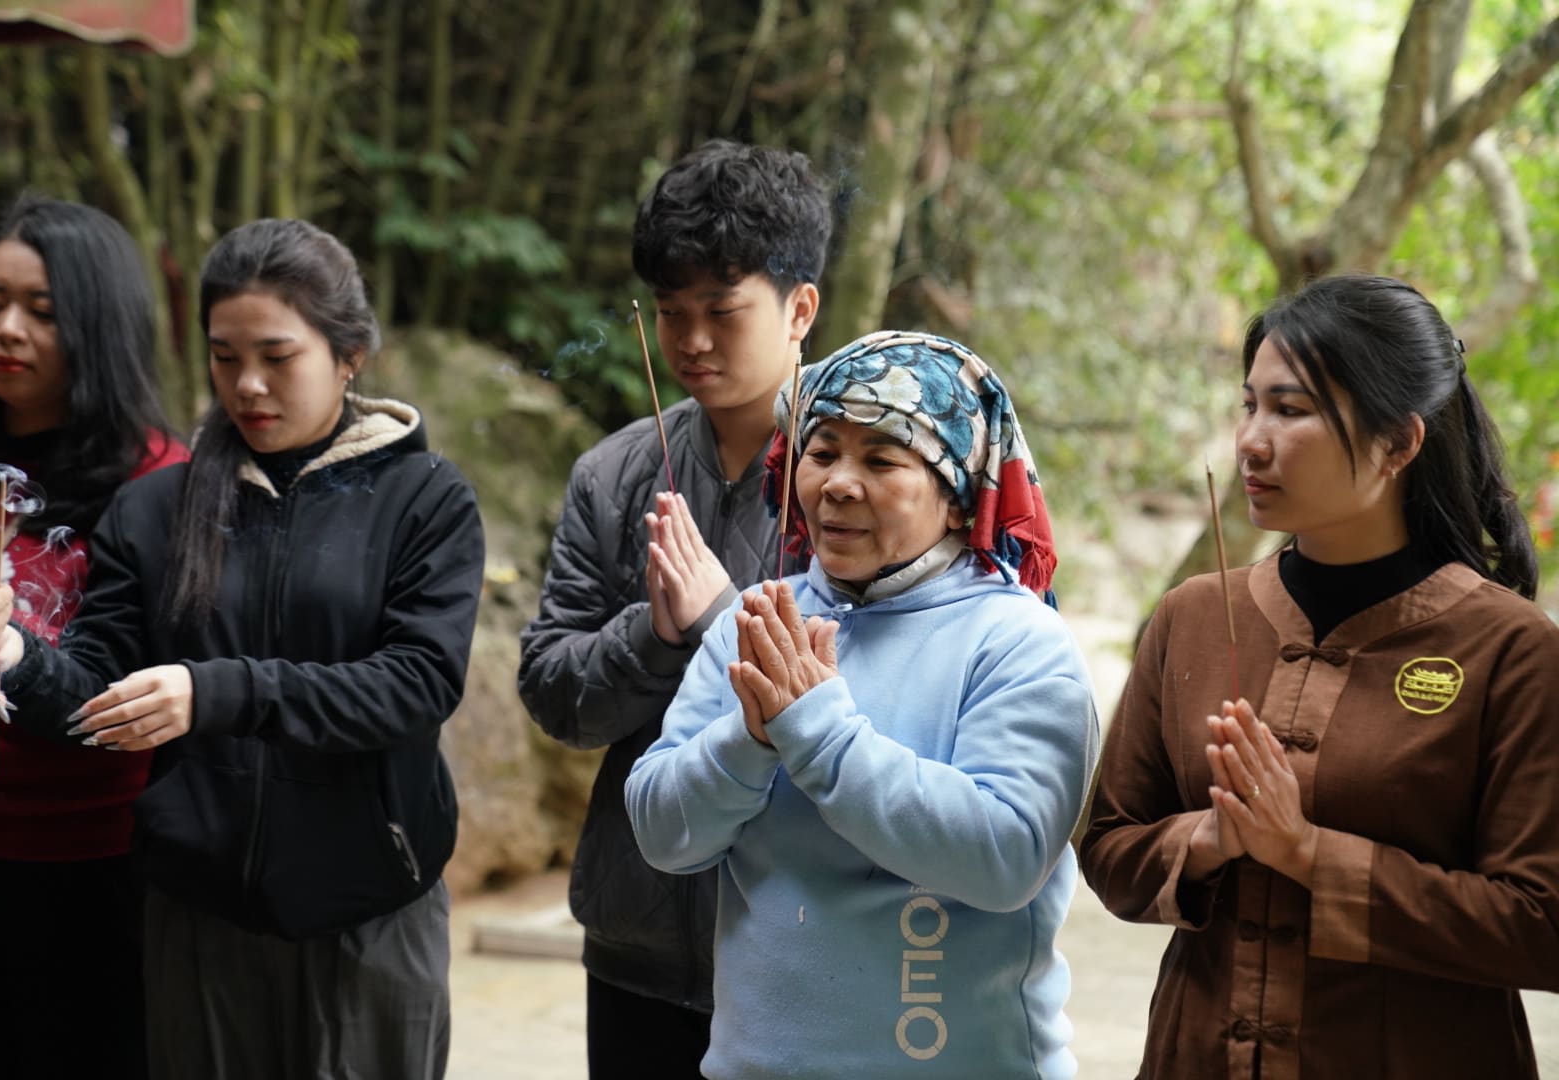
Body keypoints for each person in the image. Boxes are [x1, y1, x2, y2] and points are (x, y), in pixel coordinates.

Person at [0, 218, 485, 1080]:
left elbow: (417, 684)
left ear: (351, 354)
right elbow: (97, 694)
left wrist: (213, 692)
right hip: (198, 912)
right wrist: (7, 657)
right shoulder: (155, 509)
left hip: (370, 910)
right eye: (223, 357)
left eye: (277, 356)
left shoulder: (425, 500)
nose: (247, 385)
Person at [1079, 274, 1559, 1079]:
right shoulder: (1190, 616)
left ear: (1399, 444)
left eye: (1292, 410)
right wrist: (1205, 838)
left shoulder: (1509, 650)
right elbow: (1106, 847)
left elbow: (1542, 926)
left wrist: (1306, 852)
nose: (1252, 441)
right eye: (1249, 404)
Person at [626, 331, 1100, 1079]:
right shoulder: (759, 621)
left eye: (881, 459)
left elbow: (1006, 858)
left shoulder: (1016, 642)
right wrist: (746, 742)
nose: (839, 483)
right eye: (822, 453)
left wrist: (816, 733)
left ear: (955, 497)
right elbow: (661, 832)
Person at [517, 139, 830, 1077]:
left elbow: (885, 696)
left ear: (800, 307)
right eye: (670, 313)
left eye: (722, 312)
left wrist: (718, 618)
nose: (690, 342)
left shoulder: (865, 479)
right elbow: (555, 698)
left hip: (809, 941)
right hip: (638, 941)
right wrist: (651, 632)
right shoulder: (614, 476)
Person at [0, 195, 186, 1080]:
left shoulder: (161, 483)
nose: (5, 329)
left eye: (42, 312)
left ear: (98, 321)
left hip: (96, 865)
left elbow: (130, 689)